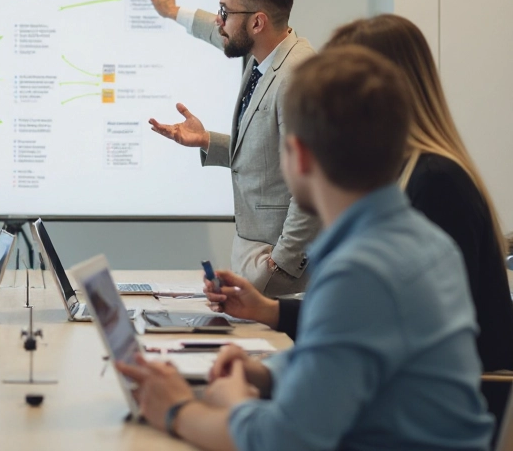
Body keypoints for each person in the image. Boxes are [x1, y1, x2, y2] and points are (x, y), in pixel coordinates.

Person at [118, 46, 493, 450]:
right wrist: (264, 373)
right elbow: (343, 360)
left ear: (297, 157)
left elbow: (284, 440)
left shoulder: (360, 270)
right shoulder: (426, 243)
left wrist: (177, 410)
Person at [203, 14, 513, 421]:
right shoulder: (402, 180)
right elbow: (379, 322)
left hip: (434, 408)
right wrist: (267, 310)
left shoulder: (434, 184)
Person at [145, 0, 319, 296]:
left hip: (281, 268)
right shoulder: (266, 56)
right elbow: (269, 153)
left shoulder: (298, 77)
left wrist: (281, 263)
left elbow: (309, 183)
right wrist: (173, 12)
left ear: (257, 22)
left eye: (224, 11)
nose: (217, 20)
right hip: (255, 252)